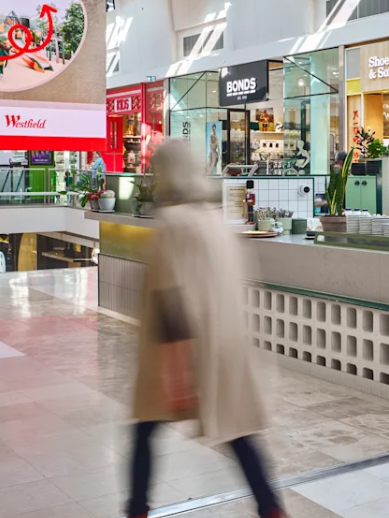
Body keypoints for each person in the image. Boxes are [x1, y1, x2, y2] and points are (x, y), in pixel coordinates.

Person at [125, 142, 286, 518]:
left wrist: (176, 372)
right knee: (237, 428)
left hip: (180, 352)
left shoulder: (172, 225)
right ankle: (271, 506)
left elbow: (170, 305)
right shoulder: (216, 220)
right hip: (223, 346)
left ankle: (135, 508)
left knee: (144, 427)